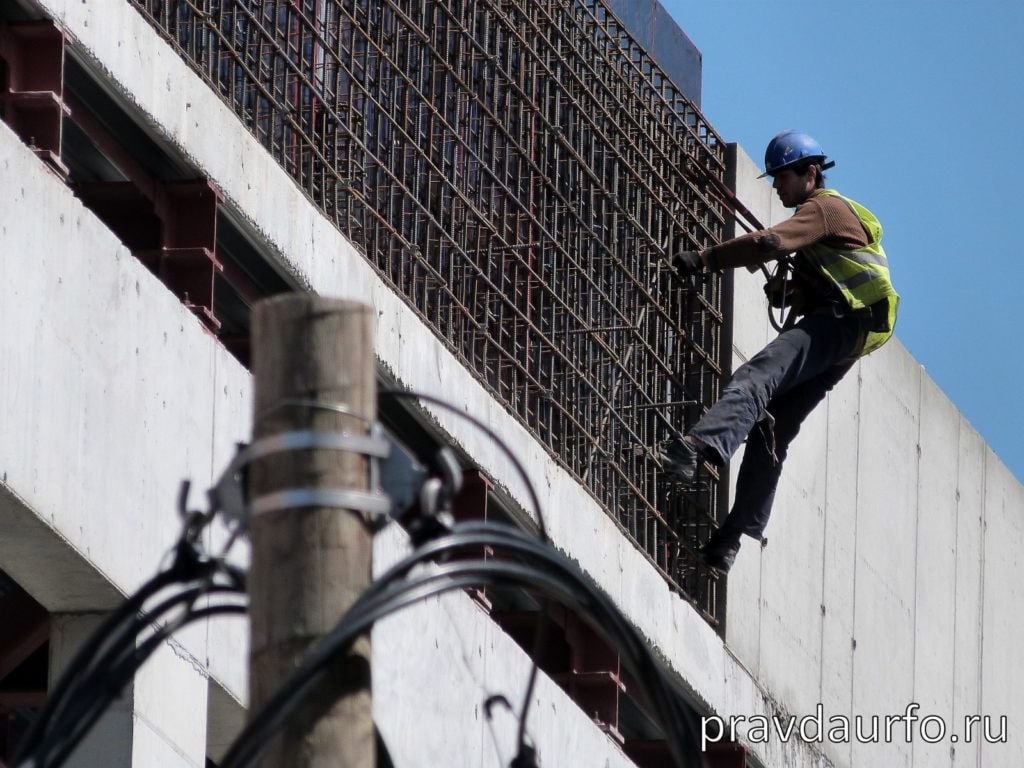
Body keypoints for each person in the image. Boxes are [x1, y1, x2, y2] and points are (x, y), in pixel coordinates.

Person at [659, 130, 899, 574]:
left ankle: (699, 449)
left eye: (783, 177)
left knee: (758, 376)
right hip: (852, 335)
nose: (776, 187)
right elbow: (823, 280)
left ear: (811, 173)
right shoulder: (825, 226)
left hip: (844, 324)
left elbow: (768, 242)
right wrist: (791, 289)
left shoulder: (823, 208)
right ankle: (727, 543)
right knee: (775, 428)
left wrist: (706, 259)